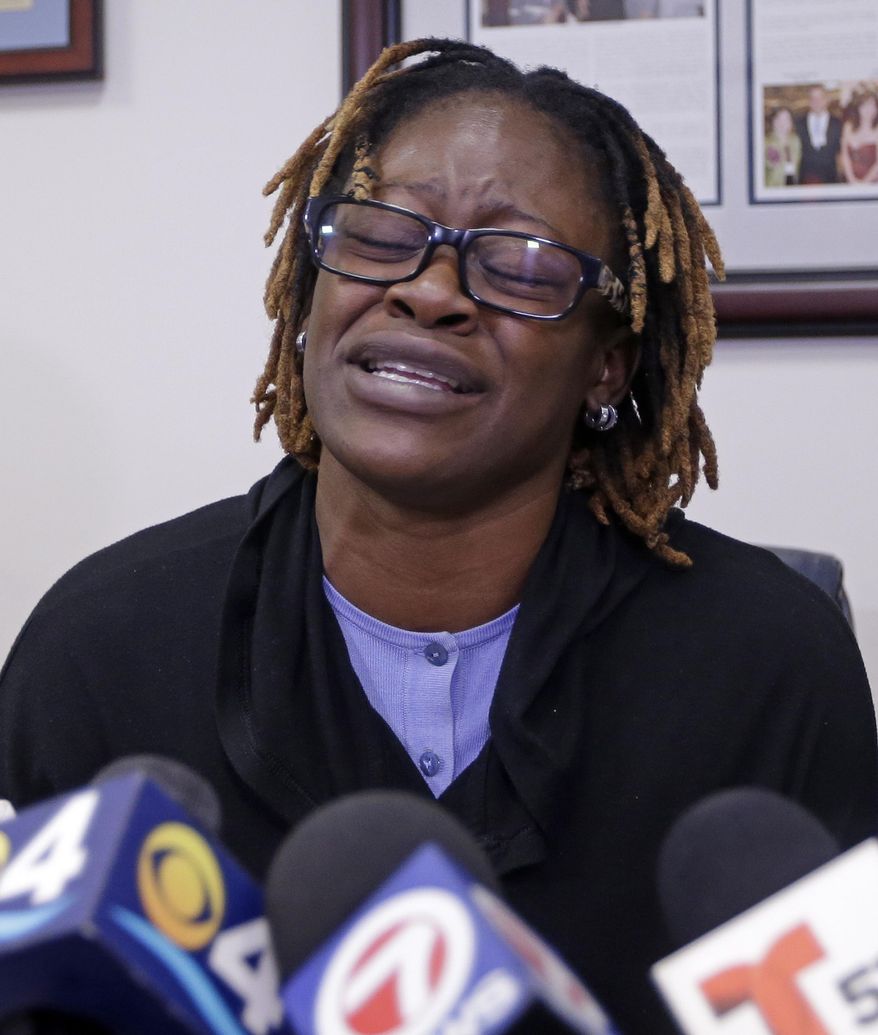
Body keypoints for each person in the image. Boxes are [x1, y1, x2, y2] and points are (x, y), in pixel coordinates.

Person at [1, 38, 875, 1034]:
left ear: (607, 366)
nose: (428, 290)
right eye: (381, 234)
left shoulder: (766, 666)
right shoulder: (102, 649)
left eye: (518, 263)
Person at [795, 84, 842, 184]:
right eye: (812, 98)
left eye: (820, 97)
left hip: (830, 179)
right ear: (808, 101)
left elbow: (841, 151)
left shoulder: (838, 123)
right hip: (805, 179)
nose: (816, 101)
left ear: (827, 100)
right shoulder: (798, 122)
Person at [840, 84, 878, 184]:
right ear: (858, 107)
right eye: (865, 105)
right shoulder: (848, 126)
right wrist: (852, 180)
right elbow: (845, 156)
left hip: (873, 183)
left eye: (872, 105)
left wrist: (864, 184)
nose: (869, 109)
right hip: (849, 181)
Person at [764, 105, 801, 186]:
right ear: (773, 121)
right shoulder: (766, 142)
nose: (783, 123)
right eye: (779, 119)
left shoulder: (795, 140)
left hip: (793, 186)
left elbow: (798, 165)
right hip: (773, 186)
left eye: (787, 119)